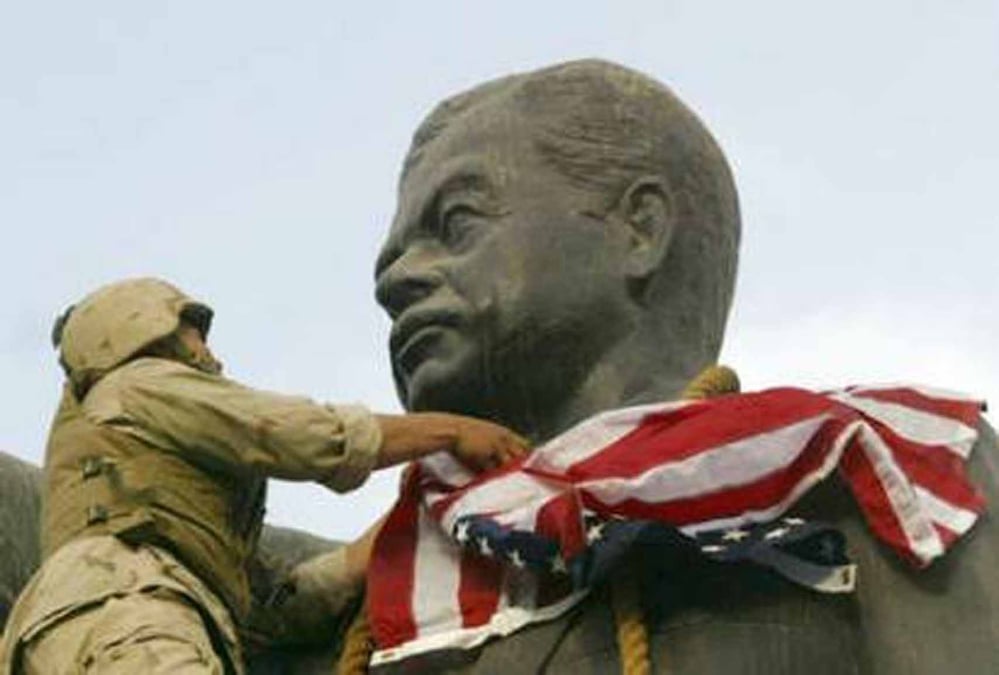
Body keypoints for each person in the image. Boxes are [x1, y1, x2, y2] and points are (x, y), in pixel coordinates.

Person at [365, 59, 999, 673]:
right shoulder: (372, 597)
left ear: (640, 229)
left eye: (456, 223)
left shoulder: (879, 470)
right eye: (395, 254)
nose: (393, 280)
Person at [0, 277, 528, 675]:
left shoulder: (175, 532)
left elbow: (269, 608)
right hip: (124, 617)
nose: (210, 353)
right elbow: (295, 434)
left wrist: (381, 543)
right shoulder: (138, 385)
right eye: (191, 332)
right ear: (142, 328)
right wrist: (451, 432)